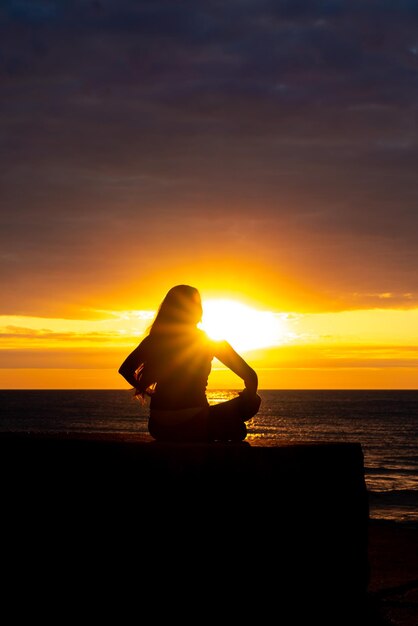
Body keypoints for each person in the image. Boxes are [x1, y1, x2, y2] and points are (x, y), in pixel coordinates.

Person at [118, 284, 261, 442]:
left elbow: (125, 369)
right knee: (252, 406)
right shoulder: (209, 342)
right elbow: (251, 377)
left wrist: (149, 392)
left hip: (158, 428)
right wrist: (248, 395)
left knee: (235, 429)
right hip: (195, 422)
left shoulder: (154, 340)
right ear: (197, 310)